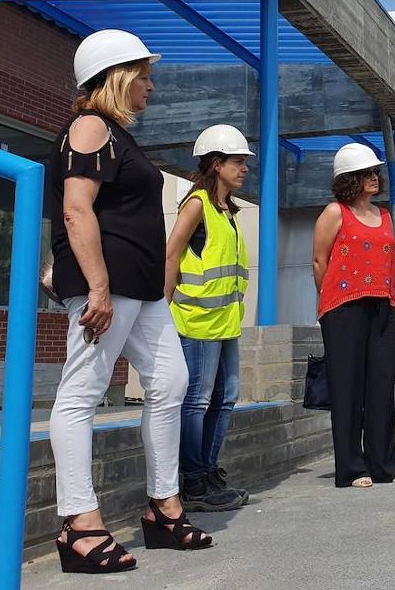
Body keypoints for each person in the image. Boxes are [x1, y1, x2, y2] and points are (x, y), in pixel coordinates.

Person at [48, 29, 210, 574]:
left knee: (170, 383)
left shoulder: (116, 133)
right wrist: (95, 287)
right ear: (118, 76)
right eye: (144, 75)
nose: (151, 86)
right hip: (108, 286)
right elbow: (76, 210)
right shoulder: (91, 126)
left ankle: (164, 507)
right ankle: (80, 525)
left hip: (139, 288)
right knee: (81, 394)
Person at [164, 124, 254, 511]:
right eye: (237, 161)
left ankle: (207, 470)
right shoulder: (197, 204)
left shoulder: (226, 210)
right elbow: (170, 255)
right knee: (197, 402)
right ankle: (194, 481)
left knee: (226, 398)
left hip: (225, 324)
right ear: (216, 164)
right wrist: (158, 313)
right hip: (197, 325)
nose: (244, 168)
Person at [311, 143, 395, 488]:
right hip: (343, 309)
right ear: (350, 178)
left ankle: (383, 464)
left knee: (381, 386)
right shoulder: (335, 212)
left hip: (383, 307)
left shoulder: (384, 215)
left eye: (375, 172)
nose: (374, 177)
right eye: (367, 173)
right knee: (348, 388)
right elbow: (319, 261)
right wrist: (333, 301)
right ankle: (352, 468)